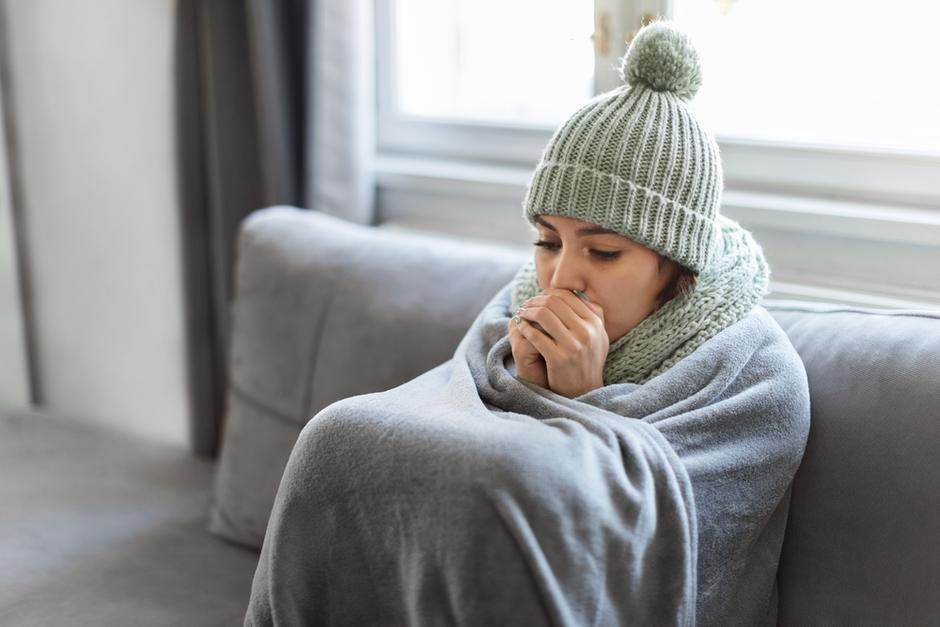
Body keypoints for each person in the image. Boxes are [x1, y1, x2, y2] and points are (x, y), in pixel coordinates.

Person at [245, 18, 809, 627]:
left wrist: (582, 402)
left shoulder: (753, 371)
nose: (561, 277)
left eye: (604, 251)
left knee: (518, 479)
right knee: (334, 434)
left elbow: (668, 538)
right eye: (547, 240)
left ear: (676, 264)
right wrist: (542, 397)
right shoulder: (513, 306)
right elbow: (436, 423)